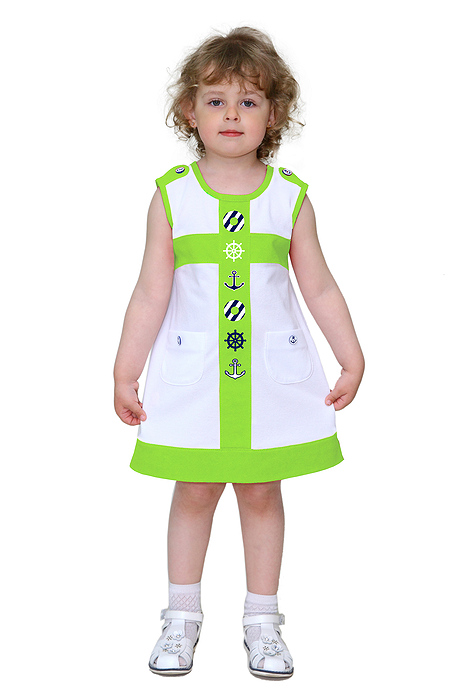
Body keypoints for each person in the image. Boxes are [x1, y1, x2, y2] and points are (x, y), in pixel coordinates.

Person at [113, 26, 364, 680]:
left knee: (260, 490)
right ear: (189, 111)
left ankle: (262, 621)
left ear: (274, 115)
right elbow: (150, 291)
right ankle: (181, 617)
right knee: (194, 488)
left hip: (269, 385)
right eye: (216, 100)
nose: (232, 114)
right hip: (195, 381)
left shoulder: (290, 199)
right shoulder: (172, 196)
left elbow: (319, 286)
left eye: (249, 101)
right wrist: (125, 371)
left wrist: (351, 357)